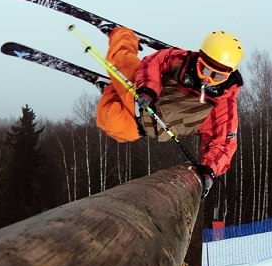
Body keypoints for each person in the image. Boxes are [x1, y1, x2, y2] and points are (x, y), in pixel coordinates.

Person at [96, 26, 244, 198]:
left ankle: (112, 90)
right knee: (119, 59)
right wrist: (148, 89)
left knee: (108, 120)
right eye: (204, 69)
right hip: (140, 90)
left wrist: (208, 170)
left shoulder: (223, 105)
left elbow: (223, 144)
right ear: (199, 59)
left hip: (141, 124)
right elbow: (156, 61)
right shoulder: (183, 61)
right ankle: (123, 35)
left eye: (217, 76)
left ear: (229, 75)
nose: (208, 79)